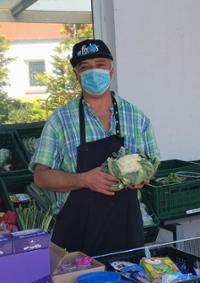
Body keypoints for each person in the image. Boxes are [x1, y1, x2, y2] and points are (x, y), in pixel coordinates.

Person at [30, 39, 160, 256]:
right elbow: (41, 177)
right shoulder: (60, 120)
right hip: (76, 238)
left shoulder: (137, 117)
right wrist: (83, 179)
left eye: (100, 64)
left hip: (126, 232)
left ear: (111, 69)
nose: (94, 71)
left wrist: (142, 176)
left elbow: (152, 162)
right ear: (76, 74)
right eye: (85, 67)